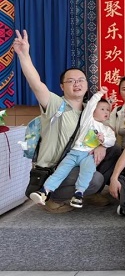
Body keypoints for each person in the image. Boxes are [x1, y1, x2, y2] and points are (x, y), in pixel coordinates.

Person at [13, 30, 117, 213]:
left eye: (81, 80)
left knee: (114, 149)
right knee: (96, 179)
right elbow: (36, 83)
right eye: (71, 81)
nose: (77, 84)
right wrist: (24, 55)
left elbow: (102, 133)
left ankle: (84, 192)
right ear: (62, 86)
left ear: (87, 84)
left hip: (80, 159)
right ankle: (54, 197)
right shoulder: (55, 104)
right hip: (55, 168)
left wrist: (102, 145)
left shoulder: (90, 110)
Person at [29, 87, 116, 209]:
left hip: (88, 156)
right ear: (93, 110)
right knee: (61, 171)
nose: (106, 112)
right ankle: (44, 191)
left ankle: (79, 194)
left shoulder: (107, 130)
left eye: (108, 110)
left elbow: (112, 140)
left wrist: (104, 141)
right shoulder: (87, 120)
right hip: (74, 153)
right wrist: (100, 94)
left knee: (87, 173)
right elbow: (90, 105)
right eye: (102, 109)